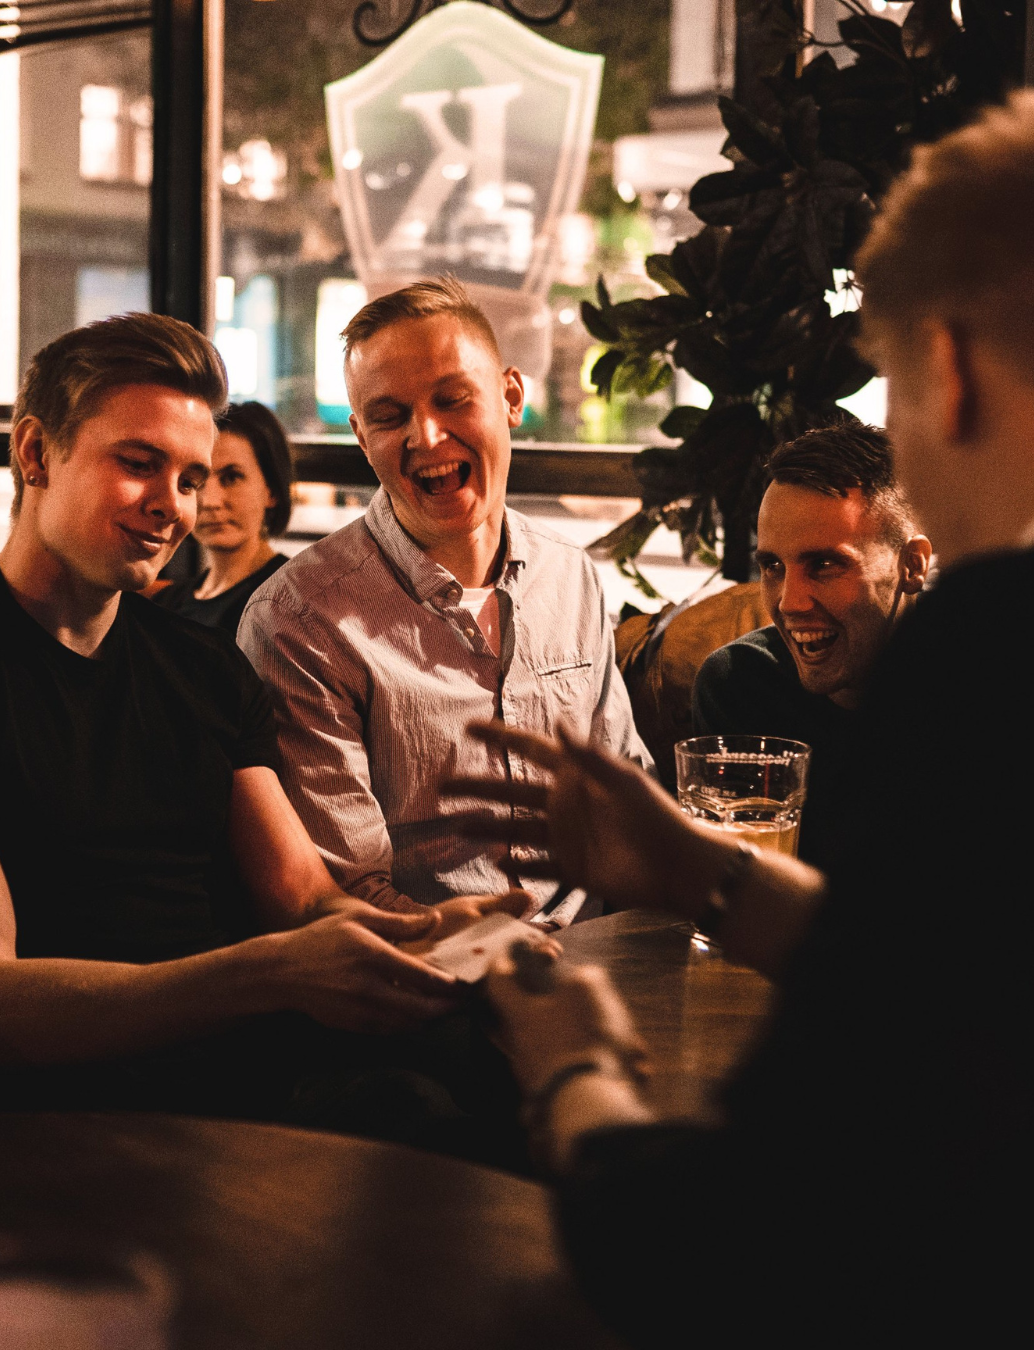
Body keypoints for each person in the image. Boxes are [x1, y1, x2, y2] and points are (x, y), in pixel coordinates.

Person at [443, 91, 1034, 1342]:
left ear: (947, 369)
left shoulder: (1004, 639)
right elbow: (971, 983)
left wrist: (573, 1072)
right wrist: (702, 872)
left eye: (890, 388)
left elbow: (753, 1238)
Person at [0, 312, 526, 1148]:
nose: (171, 507)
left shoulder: (203, 669)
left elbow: (304, 901)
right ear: (34, 453)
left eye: (191, 478)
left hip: (248, 1077)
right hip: (72, 1117)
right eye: (138, 464)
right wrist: (264, 976)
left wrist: (431, 934)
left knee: (498, 1083)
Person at [239, 277, 649, 926]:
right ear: (361, 437)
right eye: (389, 416)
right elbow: (344, 891)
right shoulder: (300, 619)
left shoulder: (571, 576)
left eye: (453, 400)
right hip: (428, 970)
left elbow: (628, 803)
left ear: (511, 398)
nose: (426, 437)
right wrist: (476, 951)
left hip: (601, 950)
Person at [692, 422, 931, 863]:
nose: (790, 603)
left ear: (912, 566)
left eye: (823, 564)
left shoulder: (982, 683)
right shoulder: (741, 686)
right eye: (772, 566)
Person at [153, 400, 293, 637]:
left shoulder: (289, 600)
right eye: (195, 481)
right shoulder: (165, 603)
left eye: (232, 477)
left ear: (271, 490)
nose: (210, 501)